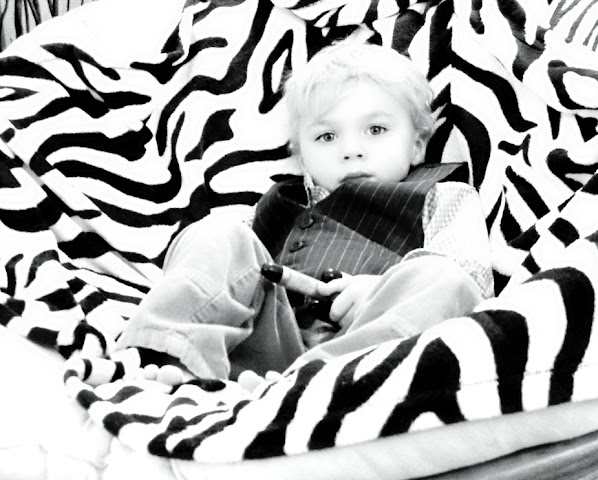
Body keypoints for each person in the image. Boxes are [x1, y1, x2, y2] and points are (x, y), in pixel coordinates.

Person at [113, 40, 494, 389]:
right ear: (302, 155)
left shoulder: (440, 195)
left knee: (443, 276)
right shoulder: (279, 204)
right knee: (216, 235)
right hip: (268, 351)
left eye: (376, 129)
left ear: (416, 145)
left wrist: (377, 292)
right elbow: (215, 269)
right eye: (327, 137)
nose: (351, 149)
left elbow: (471, 282)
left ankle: (322, 386)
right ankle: (167, 353)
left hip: (368, 352)